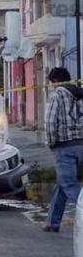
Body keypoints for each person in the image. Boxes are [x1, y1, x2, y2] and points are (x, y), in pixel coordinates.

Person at [44, 67, 83, 232]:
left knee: (69, 184)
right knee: (61, 185)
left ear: (55, 81)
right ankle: (52, 223)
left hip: (64, 147)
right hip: (81, 145)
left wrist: (51, 142)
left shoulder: (57, 94)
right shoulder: (80, 94)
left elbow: (50, 122)